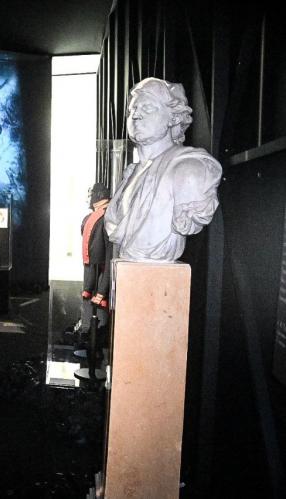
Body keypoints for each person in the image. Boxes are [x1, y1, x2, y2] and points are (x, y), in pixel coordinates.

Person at [104, 77, 222, 262]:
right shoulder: (131, 174)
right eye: (132, 109)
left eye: (147, 108)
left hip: (157, 266)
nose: (135, 115)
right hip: (130, 268)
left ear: (173, 117)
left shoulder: (188, 170)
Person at [80, 182, 112, 340]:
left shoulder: (107, 218)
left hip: (102, 267)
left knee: (99, 305)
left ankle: (97, 334)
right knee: (88, 299)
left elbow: (109, 253)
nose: (89, 198)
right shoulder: (91, 217)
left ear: (99, 195)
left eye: (91, 194)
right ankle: (87, 331)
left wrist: (102, 289)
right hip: (92, 265)